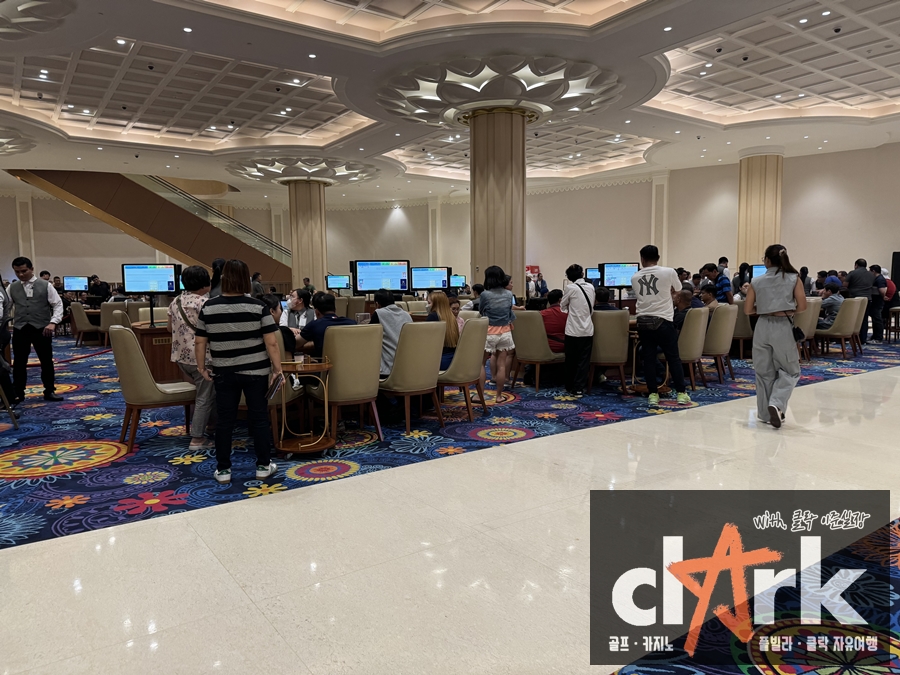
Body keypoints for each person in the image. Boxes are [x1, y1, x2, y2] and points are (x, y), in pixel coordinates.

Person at [194, 259, 280, 484]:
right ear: (246, 280)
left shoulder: (209, 307)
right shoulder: (258, 306)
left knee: (225, 420)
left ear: (223, 279)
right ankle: (263, 466)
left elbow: (200, 341)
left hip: (224, 371)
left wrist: (201, 367)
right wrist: (277, 369)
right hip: (256, 371)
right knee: (259, 418)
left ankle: (223, 469)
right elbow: (271, 342)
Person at [744, 244, 806, 428]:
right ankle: (777, 404)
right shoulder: (794, 278)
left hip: (762, 326)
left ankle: (765, 414)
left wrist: (765, 308)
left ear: (767, 260)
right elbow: (802, 306)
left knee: (764, 371)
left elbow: (747, 310)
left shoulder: (756, 281)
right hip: (783, 326)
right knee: (790, 370)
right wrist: (786, 310)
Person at [632, 245, 691, 407]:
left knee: (649, 358)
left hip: (643, 321)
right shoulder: (669, 272)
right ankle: (681, 393)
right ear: (658, 258)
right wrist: (670, 294)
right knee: (673, 358)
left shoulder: (635, 277)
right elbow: (679, 289)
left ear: (642, 259)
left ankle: (652, 394)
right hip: (663, 320)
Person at [167, 265, 215, 450]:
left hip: (181, 357)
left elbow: (169, 328)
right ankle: (197, 438)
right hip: (203, 358)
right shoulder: (205, 303)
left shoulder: (176, 301)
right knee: (204, 397)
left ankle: (210, 425)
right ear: (205, 283)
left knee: (205, 393)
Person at [9, 257, 64, 403]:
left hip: (42, 328)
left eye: (24, 271)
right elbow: (6, 306)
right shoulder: (12, 287)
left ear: (32, 269)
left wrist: (53, 322)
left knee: (46, 361)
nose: (21, 274)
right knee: (19, 362)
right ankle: (18, 392)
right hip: (20, 328)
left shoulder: (46, 285)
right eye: (17, 272)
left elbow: (58, 304)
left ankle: (49, 391)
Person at [478, 265, 516, 404]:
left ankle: (480, 396)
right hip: (505, 331)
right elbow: (509, 311)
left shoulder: (485, 294)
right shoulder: (509, 294)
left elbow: (481, 310)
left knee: (481, 364)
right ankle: (499, 396)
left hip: (489, 331)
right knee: (501, 365)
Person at [560, 264, 595, 396]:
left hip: (572, 330)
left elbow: (562, 306)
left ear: (569, 277)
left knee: (571, 359)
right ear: (582, 274)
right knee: (584, 360)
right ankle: (579, 387)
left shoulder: (570, 288)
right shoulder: (591, 287)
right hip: (587, 329)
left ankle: (569, 385)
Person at [299, 292, 357, 358]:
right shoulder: (352, 323)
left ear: (317, 312)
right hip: (352, 362)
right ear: (335, 310)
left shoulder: (314, 325)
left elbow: (295, 344)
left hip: (325, 363)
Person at [371, 288, 412, 376]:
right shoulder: (406, 315)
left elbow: (368, 336)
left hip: (387, 371)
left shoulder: (379, 313)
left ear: (377, 304)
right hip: (408, 368)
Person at [426, 291, 460, 370]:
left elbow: (427, 343)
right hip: (454, 360)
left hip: (438, 361)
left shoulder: (432, 317)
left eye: (429, 303)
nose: (427, 305)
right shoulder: (452, 317)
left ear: (435, 304)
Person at [846, 258, 875, 344]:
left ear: (856, 265)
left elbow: (845, 285)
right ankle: (863, 339)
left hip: (855, 298)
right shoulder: (871, 274)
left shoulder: (852, 273)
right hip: (867, 299)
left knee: (853, 318)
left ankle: (852, 338)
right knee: (864, 319)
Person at [260, 294, 295, 358]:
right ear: (272, 311)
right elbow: (288, 360)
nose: (281, 312)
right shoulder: (284, 332)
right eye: (279, 308)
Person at [868, 264, 887, 344]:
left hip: (878, 301)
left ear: (873, 271)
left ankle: (878, 338)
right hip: (876, 301)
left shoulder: (880, 279)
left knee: (877, 319)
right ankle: (875, 336)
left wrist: (883, 296)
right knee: (875, 319)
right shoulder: (878, 278)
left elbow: (882, 290)